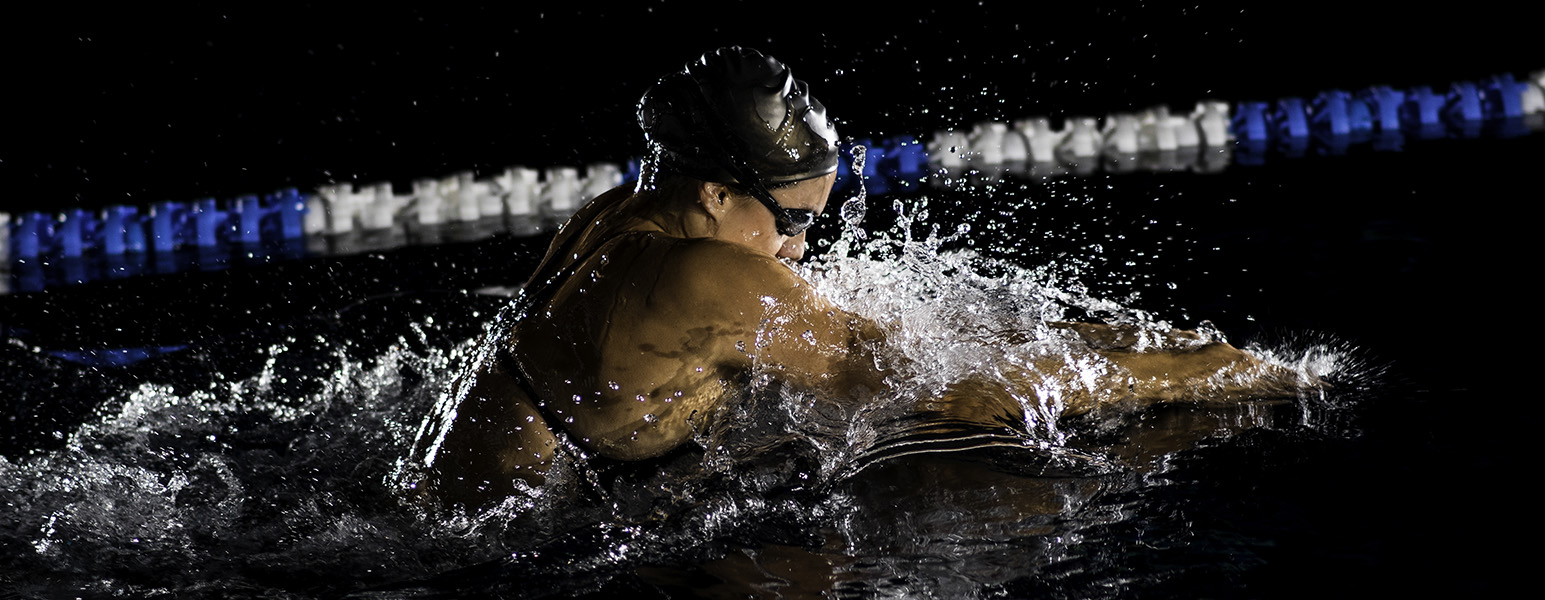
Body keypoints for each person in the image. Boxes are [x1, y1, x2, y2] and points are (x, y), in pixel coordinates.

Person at [418, 47, 1293, 508]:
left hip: (485, 491)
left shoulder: (616, 214)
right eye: (793, 220)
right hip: (517, 547)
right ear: (717, 193)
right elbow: (934, 392)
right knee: (1005, 497)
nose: (801, 246)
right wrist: (1177, 368)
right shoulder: (712, 277)